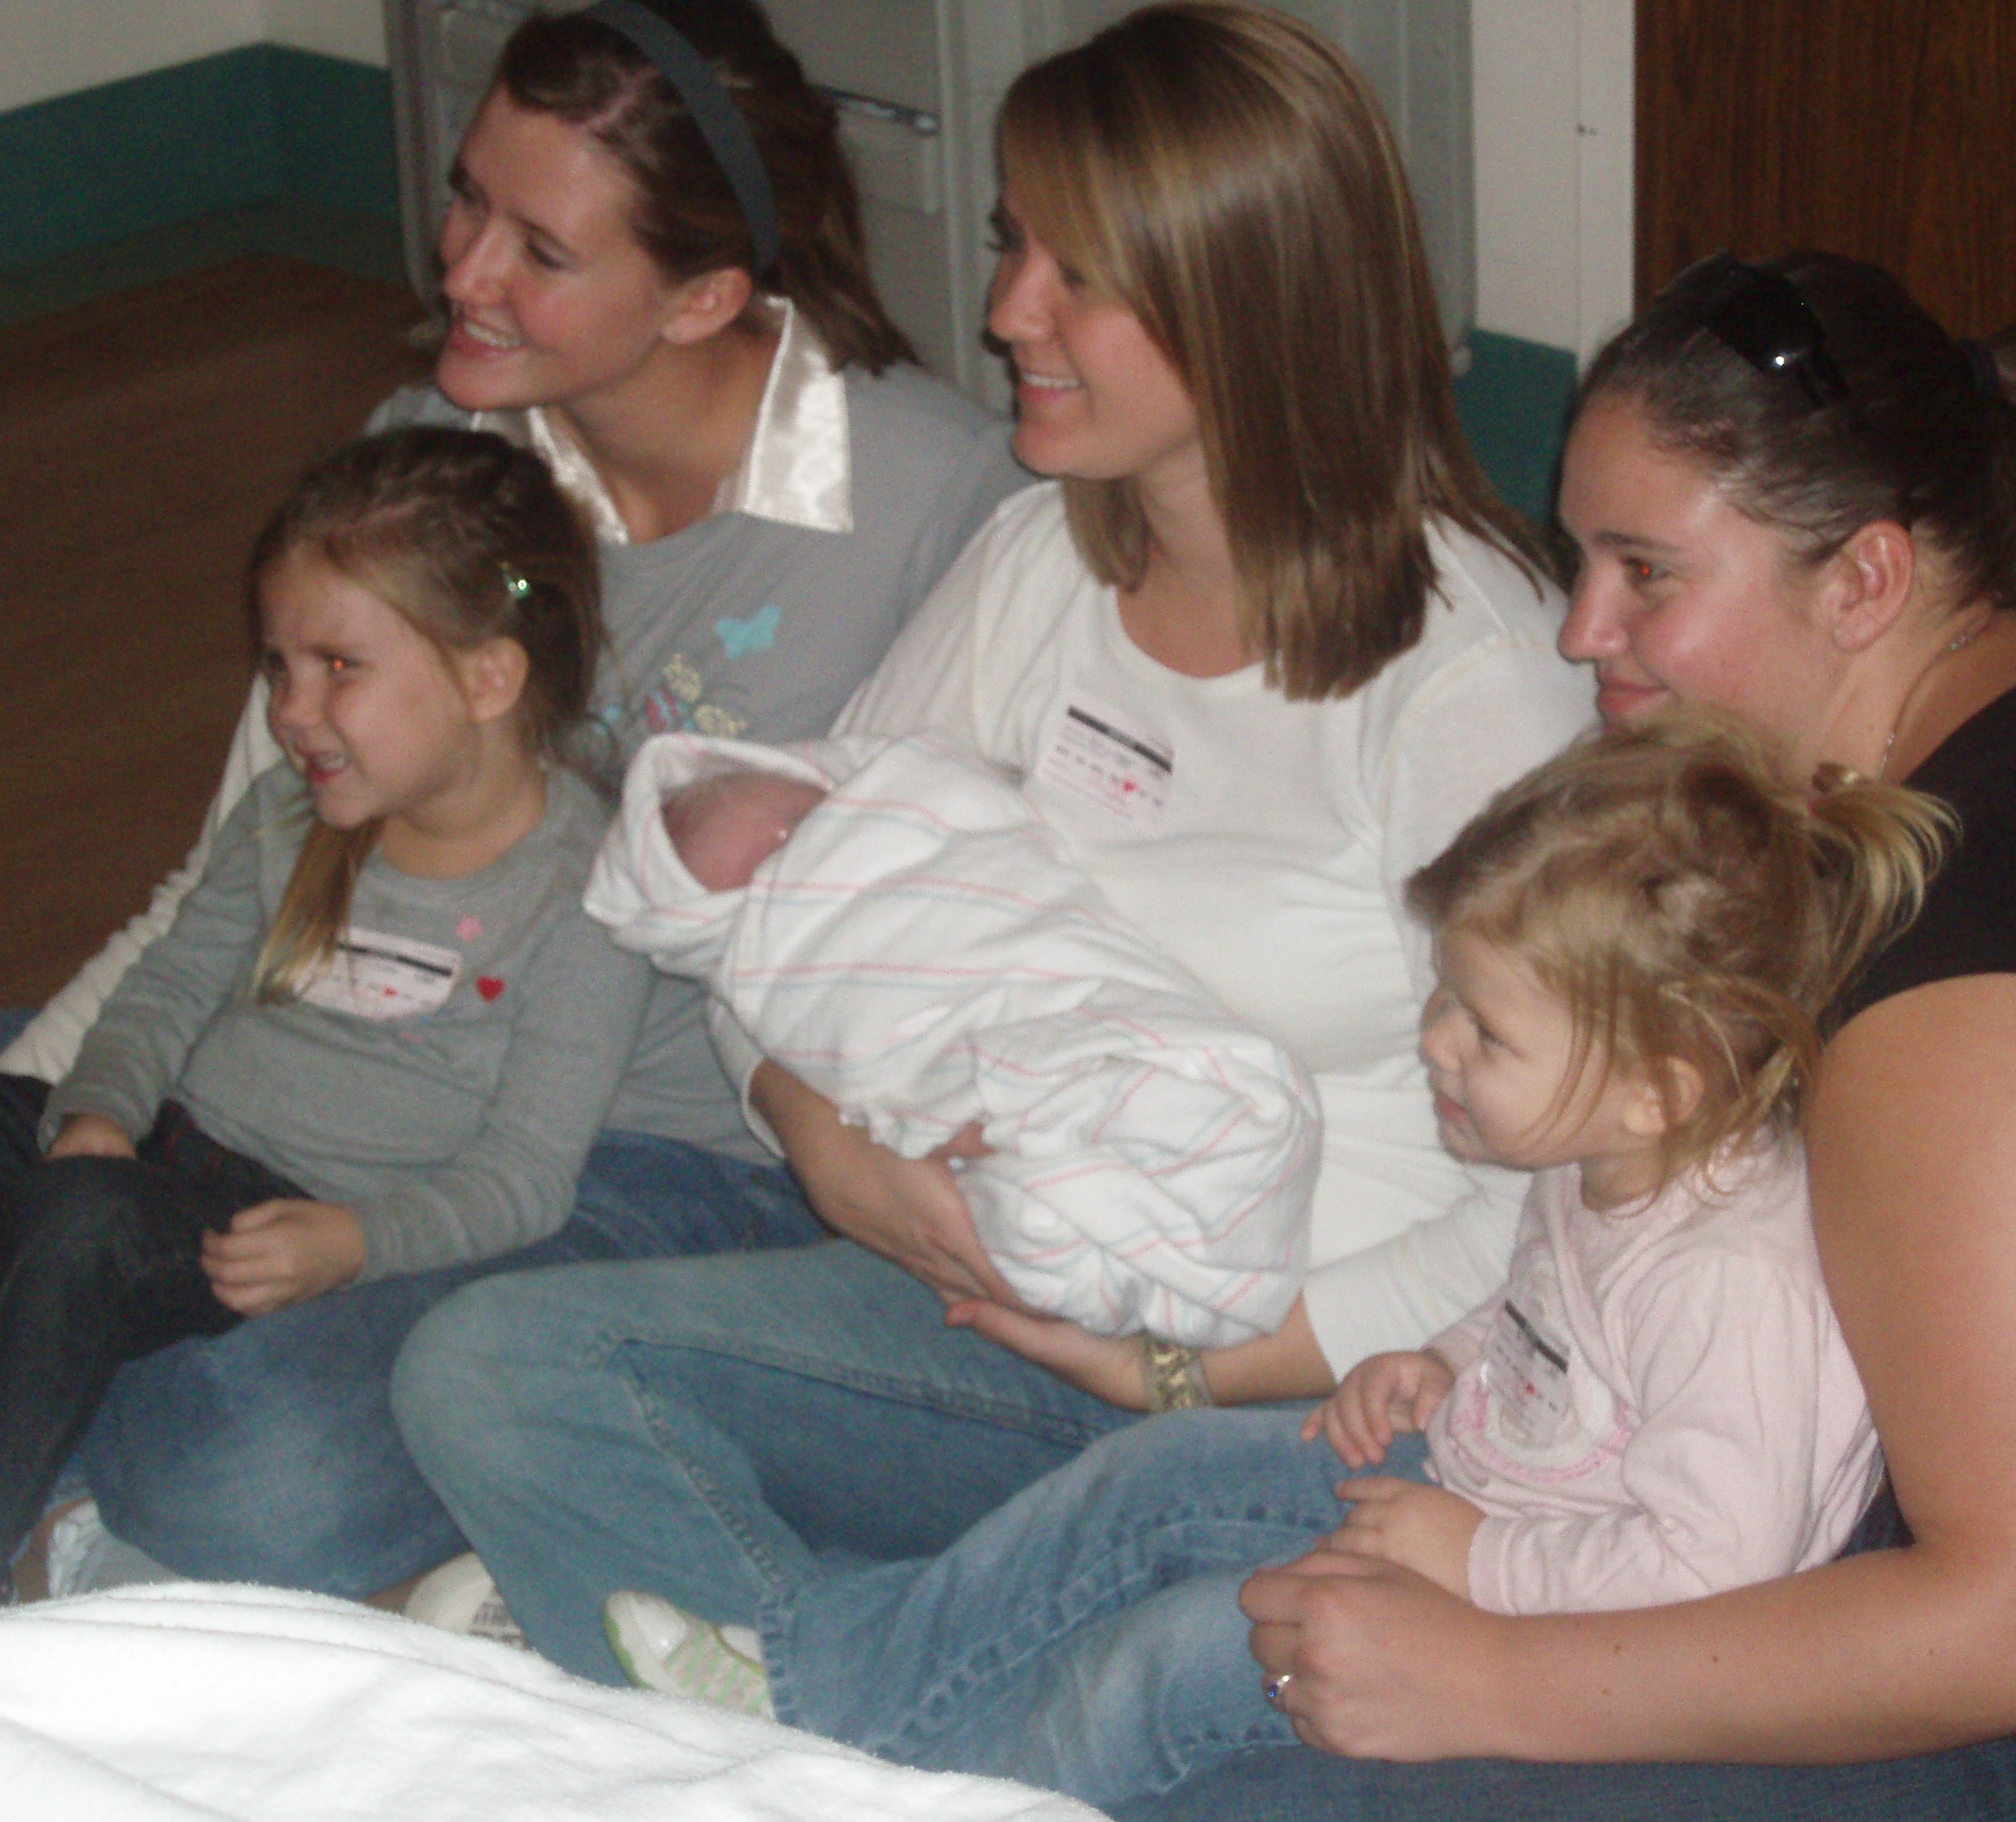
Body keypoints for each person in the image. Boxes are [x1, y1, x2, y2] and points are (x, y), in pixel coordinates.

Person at [392, 1, 1595, 1685]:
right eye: (1013, 245)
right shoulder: (1043, 563)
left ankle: (784, 1657)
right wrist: (820, 1138)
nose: (1005, 311)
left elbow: (1567, 1206)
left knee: (1158, 1659)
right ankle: (823, 1652)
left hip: (1313, 1380)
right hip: (977, 1293)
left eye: (1074, 276)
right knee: (482, 1371)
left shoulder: (1472, 677)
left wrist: (1188, 1376)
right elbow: (786, 899)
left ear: (1246, 300)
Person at [1092, 254, 2016, 1820]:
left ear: (1864, 580)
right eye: (1578, 558)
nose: (1582, 628)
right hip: (1834, 1547)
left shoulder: (1954, 955)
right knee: (1177, 1517)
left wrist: (1486, 1682)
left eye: (1647, 572)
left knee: (1218, 1721)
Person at [0, 0, 1025, 1598]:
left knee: (246, 1464)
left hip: (662, 1153)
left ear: (706, 295)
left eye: (540, 249)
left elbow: (1005, 902)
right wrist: (35, 1113)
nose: (463, 270)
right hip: (339, 1073)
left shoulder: (933, 502)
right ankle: (39, 1405)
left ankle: (27, 1414)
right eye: (468, 198)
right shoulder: (427, 451)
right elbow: (235, 868)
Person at [595, 707, 1949, 1793]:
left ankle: (931, 1791)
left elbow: (1714, 1573)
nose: (1436, 1044)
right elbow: (1556, 1317)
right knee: (1157, 1472)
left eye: (1485, 1032)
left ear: (1657, 1088)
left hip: (1593, 1623)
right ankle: (822, 1688)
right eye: (1445, 995)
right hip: (1489, 1498)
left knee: (1187, 1653)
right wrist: (1442, 1359)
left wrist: (1475, 1561)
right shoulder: (1603, 1150)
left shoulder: (1730, 1278)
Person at [0, 428, 643, 1622]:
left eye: (338, 667)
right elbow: (167, 991)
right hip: (144, 1158)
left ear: (488, 678)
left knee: (81, 1225)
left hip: (272, 1223)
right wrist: (99, 1108)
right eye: (279, 669)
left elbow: (526, 1179)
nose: (291, 713)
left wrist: (356, 1243)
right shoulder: (290, 814)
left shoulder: (585, 891)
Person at [584, 727, 1318, 1347]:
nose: (798, 850)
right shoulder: (1011, 612)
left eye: (806, 827)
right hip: (954, 1166)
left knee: (1197, 1091)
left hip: (1073, 1007)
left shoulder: (894, 806)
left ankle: (1120, 1185)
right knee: (1040, 1191)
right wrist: (819, 1132)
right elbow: (755, 994)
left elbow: (944, 798)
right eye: (769, 871)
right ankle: (1081, 1214)